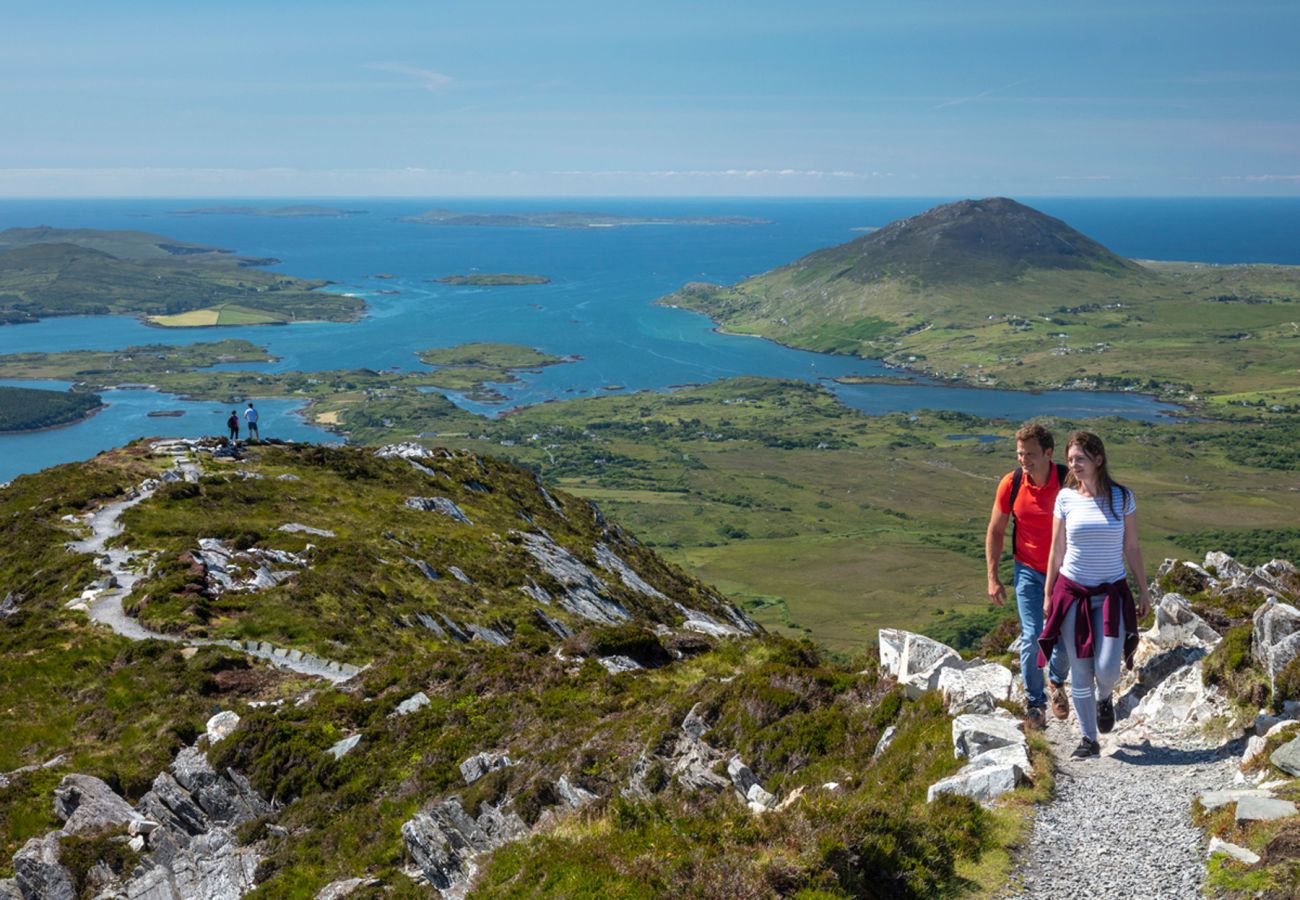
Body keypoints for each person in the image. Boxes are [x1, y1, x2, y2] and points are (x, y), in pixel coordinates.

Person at [1039, 430, 1151, 759]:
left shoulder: (1122, 497)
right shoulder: (1065, 499)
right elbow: (1057, 550)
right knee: (1080, 668)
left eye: (1080, 459)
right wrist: (1048, 594)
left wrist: (1143, 590)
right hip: (1072, 593)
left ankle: (1105, 697)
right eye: (1070, 459)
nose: (1073, 465)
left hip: (1111, 594)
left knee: (1107, 668)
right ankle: (1089, 739)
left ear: (1098, 460)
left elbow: (1131, 546)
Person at [986, 422, 1072, 728]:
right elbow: (996, 531)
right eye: (1021, 453)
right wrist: (992, 576)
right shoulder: (1012, 484)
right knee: (1032, 635)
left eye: (1031, 454)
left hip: (1066, 572)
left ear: (1048, 453)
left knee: (1065, 637)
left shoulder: (1068, 482)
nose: (1024, 459)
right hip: (1027, 570)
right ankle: (1036, 704)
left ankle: (1057, 682)